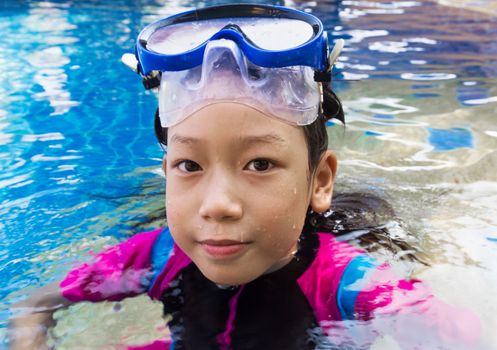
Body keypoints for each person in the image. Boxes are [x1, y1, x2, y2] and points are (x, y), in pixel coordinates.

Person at [9, 4, 479, 350]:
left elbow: (454, 333)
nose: (217, 204)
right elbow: (35, 303)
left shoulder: (343, 279)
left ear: (319, 182)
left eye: (260, 164)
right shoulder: (155, 255)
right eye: (189, 166)